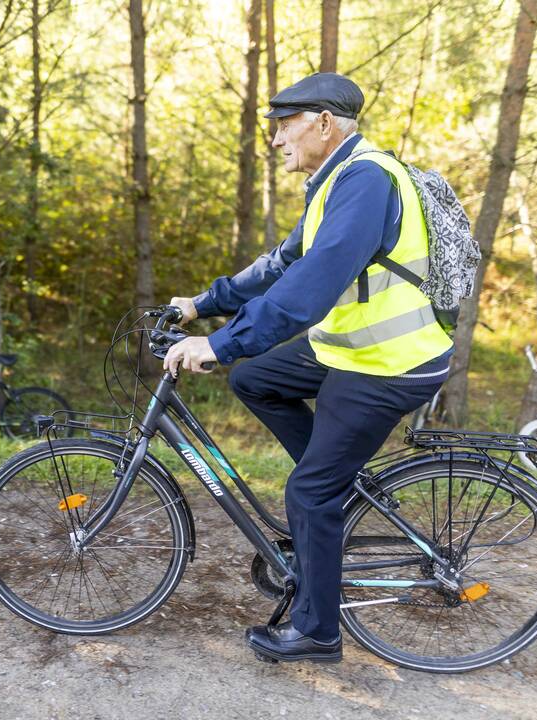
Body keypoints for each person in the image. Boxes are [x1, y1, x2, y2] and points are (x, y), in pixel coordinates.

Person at [163, 72, 452, 664]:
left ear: (324, 123)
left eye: (283, 124)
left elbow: (309, 289)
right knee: (255, 379)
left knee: (310, 488)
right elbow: (281, 264)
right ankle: (333, 495)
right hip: (351, 352)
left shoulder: (368, 181)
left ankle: (318, 631)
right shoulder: (336, 181)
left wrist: (220, 344)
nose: (274, 138)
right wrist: (202, 304)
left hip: (392, 363)